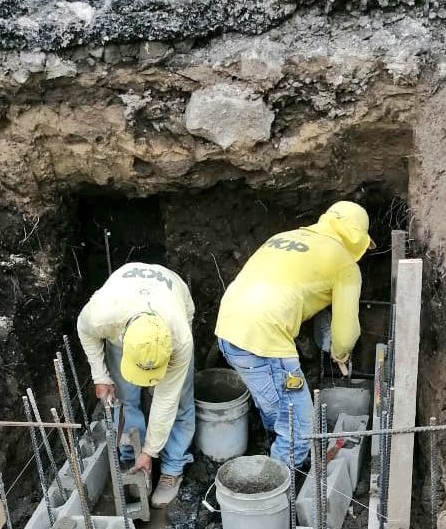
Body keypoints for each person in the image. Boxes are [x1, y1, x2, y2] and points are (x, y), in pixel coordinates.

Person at [214, 201, 375, 467]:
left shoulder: (284, 237)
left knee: (277, 407)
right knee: (300, 428)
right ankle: (280, 490)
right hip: (265, 339)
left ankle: (274, 448)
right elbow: (346, 332)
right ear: (356, 237)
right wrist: (340, 352)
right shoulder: (344, 264)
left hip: (229, 331)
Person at [77, 262, 196, 508]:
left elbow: (166, 400)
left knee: (180, 403)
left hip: (172, 302)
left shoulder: (180, 339)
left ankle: (172, 467)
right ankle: (133, 459)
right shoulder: (103, 316)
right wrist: (100, 376)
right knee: (125, 398)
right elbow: (84, 329)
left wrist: (151, 451)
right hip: (126, 307)